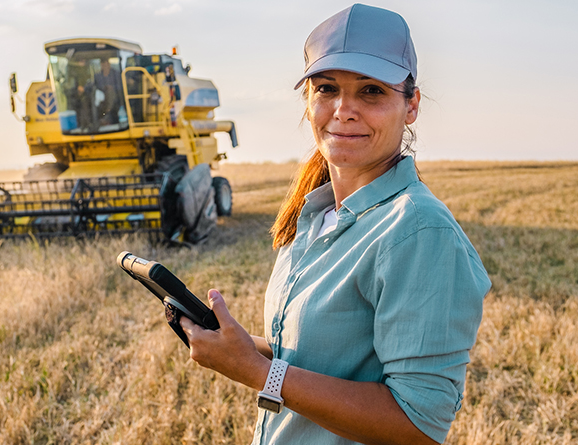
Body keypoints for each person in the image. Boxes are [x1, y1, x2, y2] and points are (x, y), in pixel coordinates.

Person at [179, 4, 491, 444]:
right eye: (327, 88)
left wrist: (258, 373)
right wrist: (238, 347)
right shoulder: (316, 214)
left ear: (412, 104)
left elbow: (418, 426)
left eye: (371, 92)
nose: (344, 110)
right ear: (308, 100)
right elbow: (317, 358)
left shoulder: (419, 231)